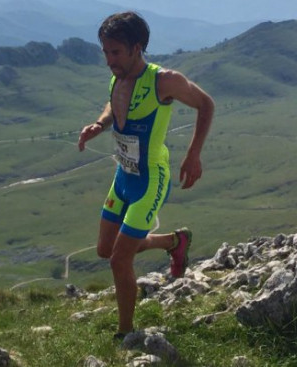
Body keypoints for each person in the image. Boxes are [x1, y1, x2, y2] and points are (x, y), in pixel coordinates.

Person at [77, 11, 214, 339]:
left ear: (137, 48)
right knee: (104, 250)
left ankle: (125, 333)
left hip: (151, 180)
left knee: (118, 260)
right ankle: (173, 241)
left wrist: (194, 154)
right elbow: (115, 107)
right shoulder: (117, 77)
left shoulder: (163, 80)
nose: (110, 60)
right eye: (106, 52)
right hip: (123, 176)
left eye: (116, 52)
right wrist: (99, 124)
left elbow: (206, 104)